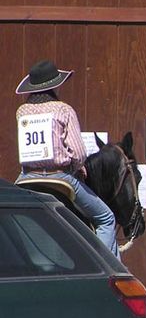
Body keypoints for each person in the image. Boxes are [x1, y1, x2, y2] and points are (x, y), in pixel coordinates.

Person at [15, 60, 118, 256]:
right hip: (59, 177)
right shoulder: (64, 109)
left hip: (26, 177)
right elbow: (78, 152)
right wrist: (78, 166)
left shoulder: (21, 112)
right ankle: (103, 263)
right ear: (55, 85)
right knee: (106, 218)